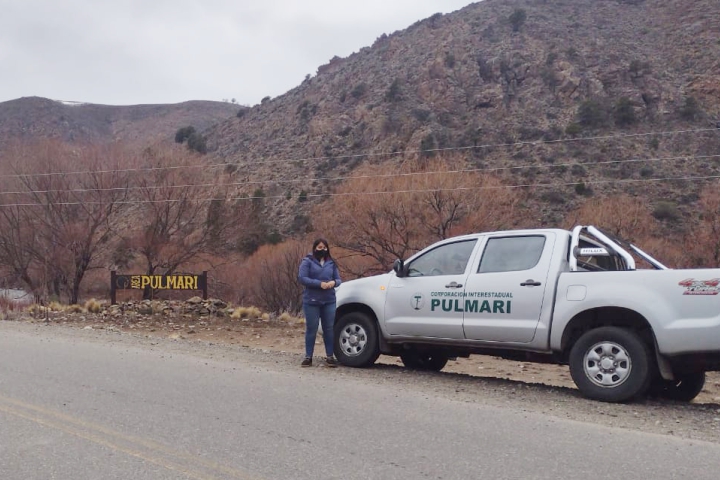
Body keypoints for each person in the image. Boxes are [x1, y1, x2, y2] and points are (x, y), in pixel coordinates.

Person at [297, 238, 342, 367]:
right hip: (311, 300)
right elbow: (302, 278)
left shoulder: (331, 263)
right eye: (320, 247)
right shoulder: (307, 261)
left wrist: (333, 283)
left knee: (329, 328)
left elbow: (338, 279)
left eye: (325, 247)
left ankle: (329, 356)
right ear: (315, 248)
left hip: (329, 300)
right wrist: (319, 284)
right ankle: (308, 357)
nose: (323, 250)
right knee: (312, 328)